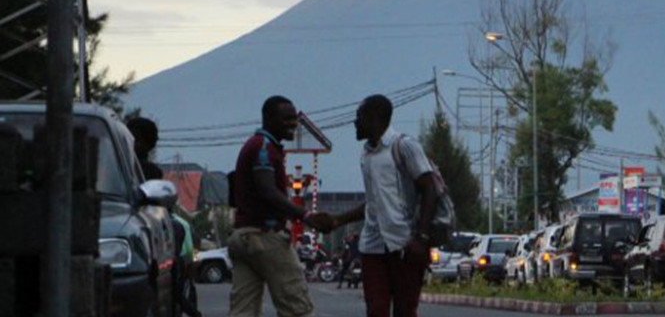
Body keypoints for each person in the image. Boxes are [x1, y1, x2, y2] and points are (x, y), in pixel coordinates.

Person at [329, 95, 439, 317]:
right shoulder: (367, 154)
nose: (355, 123)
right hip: (373, 246)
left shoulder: (404, 146)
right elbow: (374, 202)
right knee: (376, 310)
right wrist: (338, 220)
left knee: (405, 310)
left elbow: (430, 188)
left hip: (404, 246)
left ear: (375, 119)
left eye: (359, 117)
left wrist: (422, 238)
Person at [227, 95, 332, 317]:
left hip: (243, 237)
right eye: (286, 119)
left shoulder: (257, 145)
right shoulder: (264, 148)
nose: (293, 124)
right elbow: (268, 191)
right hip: (265, 236)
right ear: (268, 118)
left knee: (242, 311)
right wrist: (306, 215)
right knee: (296, 307)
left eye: (294, 118)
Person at [127, 117, 201, 317]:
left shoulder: (148, 171)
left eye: (134, 138)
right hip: (144, 240)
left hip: (157, 239)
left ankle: (179, 296)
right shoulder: (120, 166)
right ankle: (179, 297)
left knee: (175, 234)